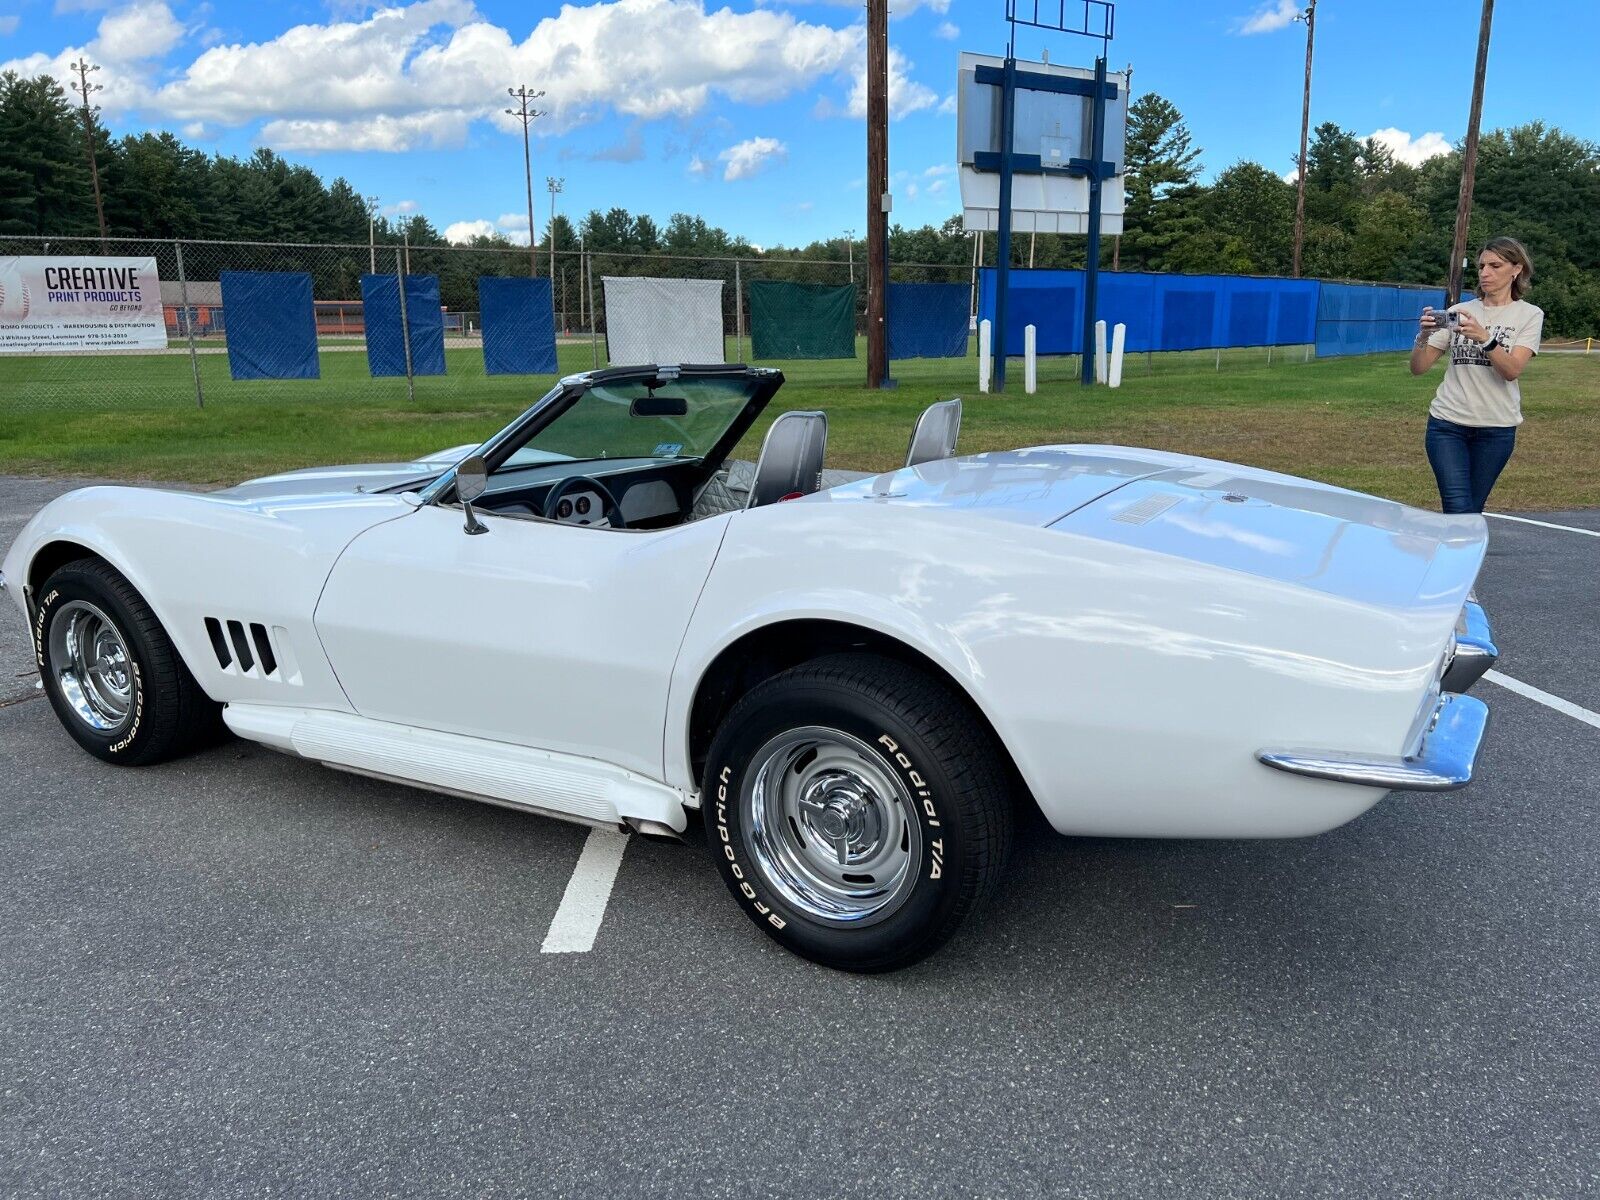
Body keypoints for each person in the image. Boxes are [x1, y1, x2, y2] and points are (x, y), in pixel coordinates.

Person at [1409, 237, 1544, 514]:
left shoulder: (1529, 315)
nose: (1485, 273)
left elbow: (1511, 371)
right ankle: (1453, 557)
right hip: (1448, 425)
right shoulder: (1459, 312)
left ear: (1516, 269)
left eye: (1495, 265)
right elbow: (1418, 368)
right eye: (1482, 266)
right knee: (1458, 508)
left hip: (1496, 429)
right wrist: (1423, 336)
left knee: (1471, 510)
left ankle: (1455, 556)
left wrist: (1485, 338)